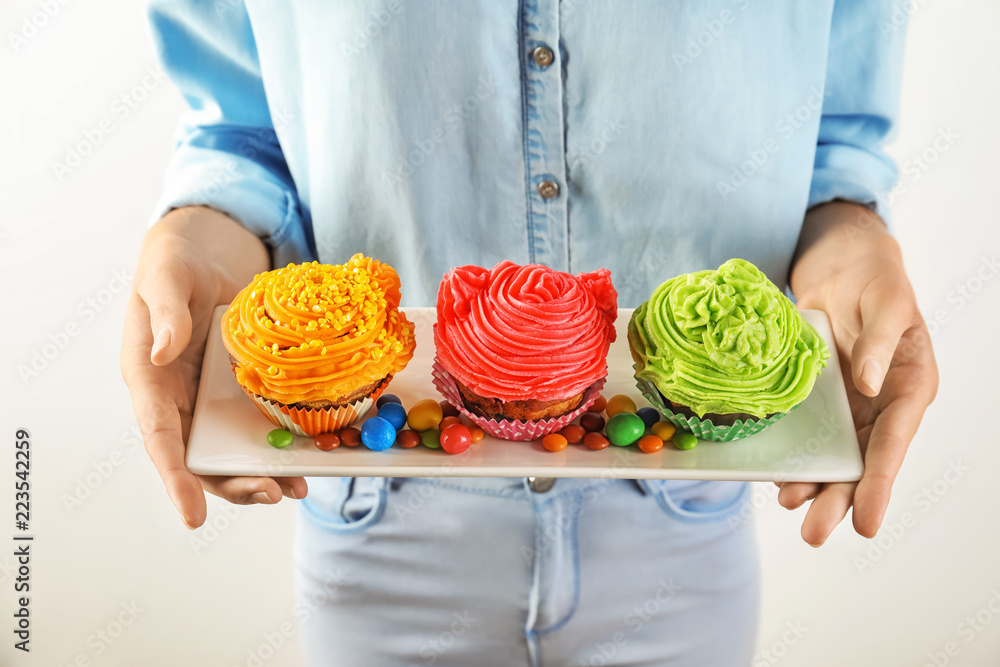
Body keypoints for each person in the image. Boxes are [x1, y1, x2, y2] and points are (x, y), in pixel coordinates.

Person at [121, 2, 938, 665]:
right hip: (379, 522)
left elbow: (836, 151)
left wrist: (857, 245)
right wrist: (192, 238)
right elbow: (243, 138)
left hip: (687, 526)